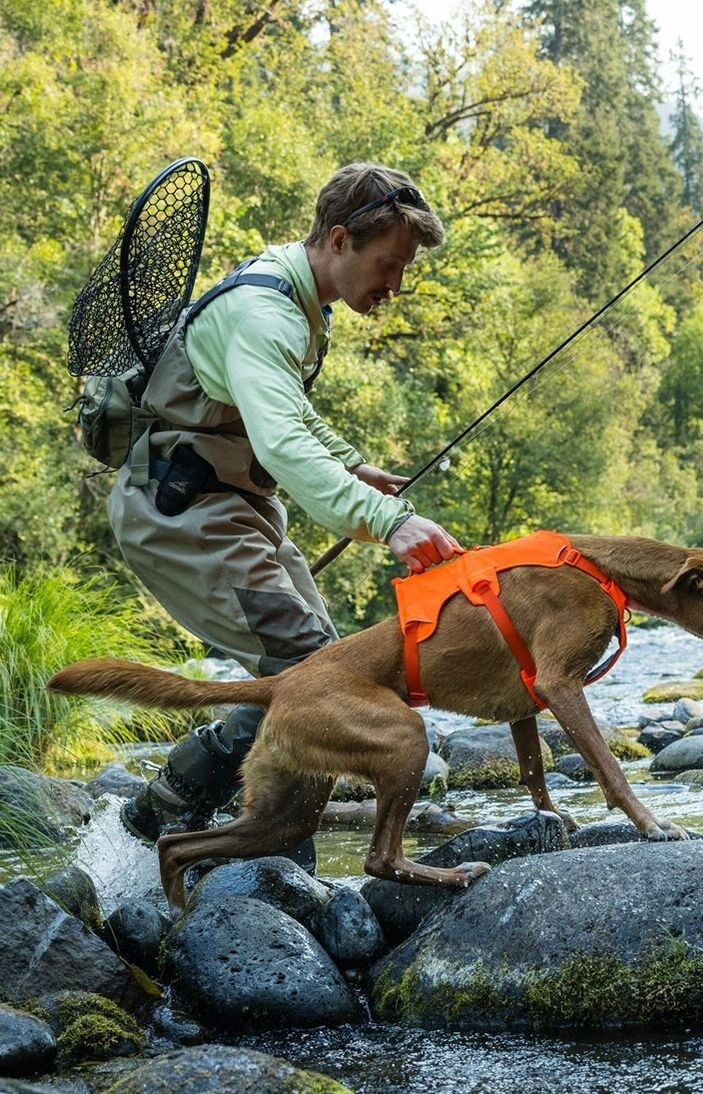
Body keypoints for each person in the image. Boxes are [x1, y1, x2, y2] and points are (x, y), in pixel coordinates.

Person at [110, 162, 463, 844]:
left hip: (229, 510)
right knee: (314, 681)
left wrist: (350, 462)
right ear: (339, 241)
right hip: (179, 514)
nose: (395, 285)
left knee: (327, 675)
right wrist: (389, 521)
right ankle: (170, 814)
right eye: (388, 264)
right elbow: (281, 446)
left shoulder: (297, 298)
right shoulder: (266, 313)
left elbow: (290, 413)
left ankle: (218, 832)